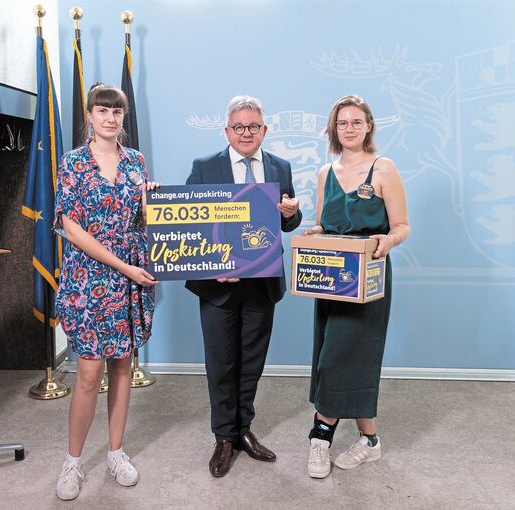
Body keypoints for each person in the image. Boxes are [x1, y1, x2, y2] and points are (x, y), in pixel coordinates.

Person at [185, 95, 302, 477]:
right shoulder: (204, 168)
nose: (246, 132)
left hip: (262, 283)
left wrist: (293, 212)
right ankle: (223, 437)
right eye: (239, 126)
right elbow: (190, 225)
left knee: (251, 363)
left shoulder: (279, 166)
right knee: (221, 363)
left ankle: (243, 430)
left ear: (264, 130)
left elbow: (286, 224)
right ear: (227, 131)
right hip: (218, 285)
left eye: (253, 126)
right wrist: (212, 266)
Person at [53, 83, 159, 500]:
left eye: (117, 112)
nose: (111, 118)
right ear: (89, 116)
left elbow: (142, 220)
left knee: (121, 366)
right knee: (88, 371)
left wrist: (154, 202)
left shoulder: (136, 162)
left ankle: (116, 452)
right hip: (90, 278)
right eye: (103, 111)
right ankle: (73, 461)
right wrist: (123, 267)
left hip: (130, 275)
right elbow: (71, 227)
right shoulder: (74, 163)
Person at [304, 95, 410, 479]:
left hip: (370, 275)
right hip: (330, 275)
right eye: (341, 122)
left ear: (368, 125)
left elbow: (401, 226)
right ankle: (370, 441)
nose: (348, 128)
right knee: (333, 349)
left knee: (346, 351)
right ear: (334, 129)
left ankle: (320, 435)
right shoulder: (324, 172)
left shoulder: (384, 168)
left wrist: (388, 241)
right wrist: (312, 233)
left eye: (355, 122)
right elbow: (322, 223)